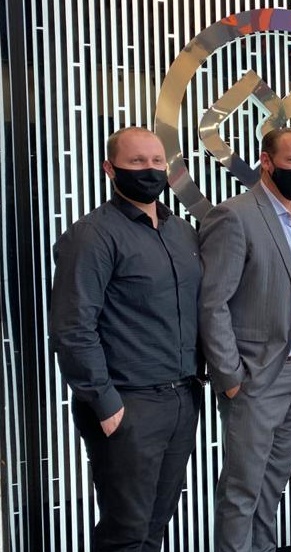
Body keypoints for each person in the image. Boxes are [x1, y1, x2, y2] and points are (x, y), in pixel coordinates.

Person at [49, 127, 203, 551]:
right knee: (126, 533)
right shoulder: (92, 235)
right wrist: (105, 403)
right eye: (136, 162)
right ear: (110, 168)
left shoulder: (181, 232)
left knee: (155, 525)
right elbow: (72, 326)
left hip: (182, 397)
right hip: (129, 403)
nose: (149, 170)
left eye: (157, 161)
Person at [199, 127, 291, 551]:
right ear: (267, 161)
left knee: (272, 486)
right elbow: (213, 303)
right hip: (256, 377)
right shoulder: (234, 216)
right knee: (242, 491)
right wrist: (231, 377)